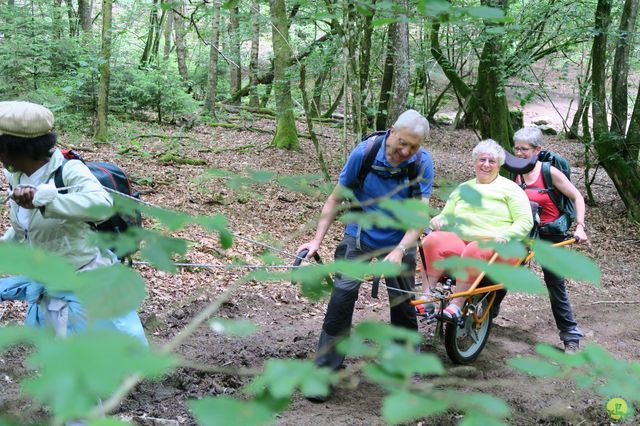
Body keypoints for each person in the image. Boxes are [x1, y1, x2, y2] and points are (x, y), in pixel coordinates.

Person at [296, 109, 434, 398]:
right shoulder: (366, 153)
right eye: (403, 143)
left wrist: (399, 251)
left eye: (414, 146)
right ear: (392, 130)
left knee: (403, 302)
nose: (406, 151)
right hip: (360, 233)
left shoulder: (422, 163)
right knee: (342, 297)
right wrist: (316, 241)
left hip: (401, 237)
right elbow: (335, 199)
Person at [0, 100, 147, 345]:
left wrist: (46, 202)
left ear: (10, 146)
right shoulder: (16, 176)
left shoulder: (69, 171)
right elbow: (24, 230)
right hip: (49, 288)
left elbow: (101, 205)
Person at [421, 139, 533, 320]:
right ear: (474, 161)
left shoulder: (511, 189)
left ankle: (457, 304)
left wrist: (507, 234)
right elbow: (446, 215)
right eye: (482, 160)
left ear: (499, 164)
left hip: (499, 247)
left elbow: (525, 221)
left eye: (492, 161)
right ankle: (426, 297)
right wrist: (439, 219)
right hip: (463, 241)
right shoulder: (463, 188)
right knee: (433, 240)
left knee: (474, 249)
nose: (486, 165)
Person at [513, 127, 586, 354]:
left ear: (537, 150)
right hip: (524, 232)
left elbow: (577, 196)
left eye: (524, 149)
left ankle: (570, 337)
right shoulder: (514, 172)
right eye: (516, 148)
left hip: (550, 234)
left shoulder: (550, 172)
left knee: (555, 284)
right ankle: (486, 317)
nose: (519, 153)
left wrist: (580, 227)